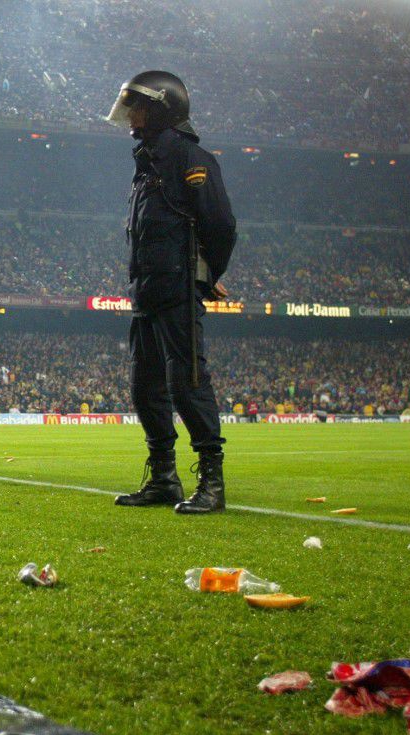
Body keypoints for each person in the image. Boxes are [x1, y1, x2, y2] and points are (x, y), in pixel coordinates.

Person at [106, 71, 237, 514]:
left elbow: (221, 225)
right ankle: (164, 478)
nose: (130, 116)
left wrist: (205, 274)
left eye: (139, 108)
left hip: (178, 290)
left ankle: (212, 482)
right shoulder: (146, 165)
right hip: (145, 293)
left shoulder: (190, 158)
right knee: (144, 388)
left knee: (187, 383)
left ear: (163, 109)